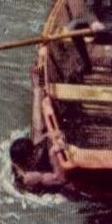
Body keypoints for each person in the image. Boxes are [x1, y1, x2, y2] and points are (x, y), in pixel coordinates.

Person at [10, 64, 66, 192]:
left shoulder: (17, 161)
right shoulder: (30, 177)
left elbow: (38, 136)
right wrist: (54, 152)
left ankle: (37, 87)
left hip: (33, 167)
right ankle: (37, 88)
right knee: (39, 136)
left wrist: (48, 136)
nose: (37, 150)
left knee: (37, 131)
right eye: (34, 152)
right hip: (46, 189)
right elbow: (60, 179)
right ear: (29, 159)